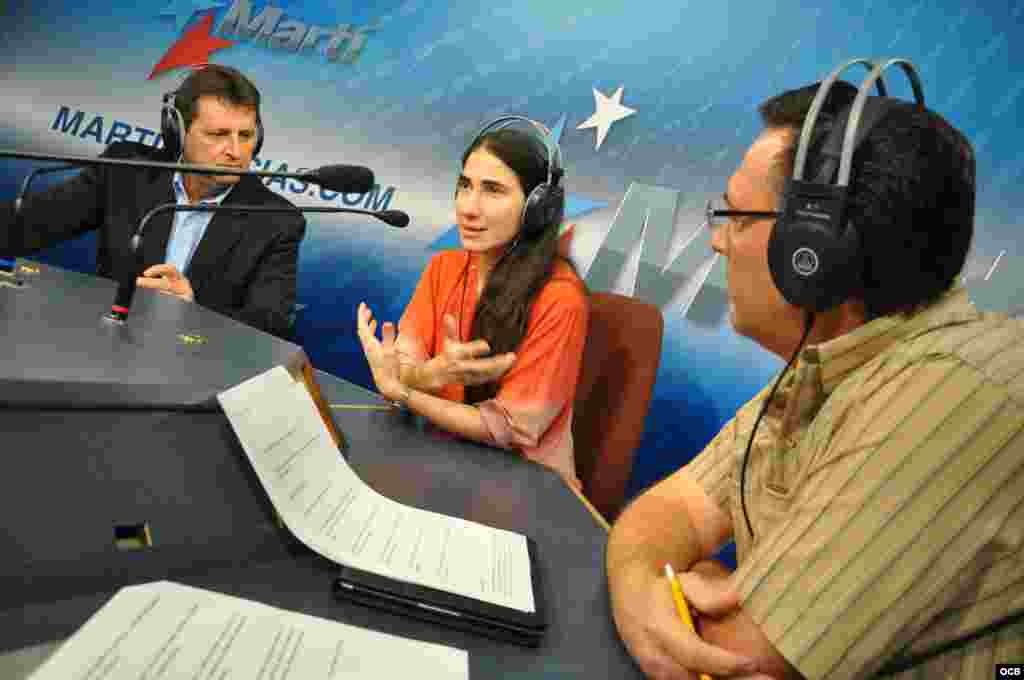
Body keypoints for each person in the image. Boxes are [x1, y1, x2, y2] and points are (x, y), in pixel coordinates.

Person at [605, 67, 1024, 679]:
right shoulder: (833, 366)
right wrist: (648, 576)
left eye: (736, 216)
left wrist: (674, 582)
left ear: (814, 252)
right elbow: (669, 513)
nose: (718, 242)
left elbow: (733, 661)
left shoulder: (958, 389)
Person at [356, 120, 589, 490]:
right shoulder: (443, 268)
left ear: (537, 208)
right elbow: (405, 364)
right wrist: (431, 375)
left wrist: (405, 392)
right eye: (465, 186)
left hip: (525, 488)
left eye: (493, 191)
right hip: (440, 463)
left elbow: (506, 428)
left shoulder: (561, 299)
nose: (469, 207)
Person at [0, 65, 305, 338]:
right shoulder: (127, 172)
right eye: (219, 134)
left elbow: (270, 326)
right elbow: (29, 223)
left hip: (198, 368)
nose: (236, 151)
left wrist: (192, 310)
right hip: (105, 347)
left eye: (247, 135)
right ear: (178, 132)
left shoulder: (276, 220)